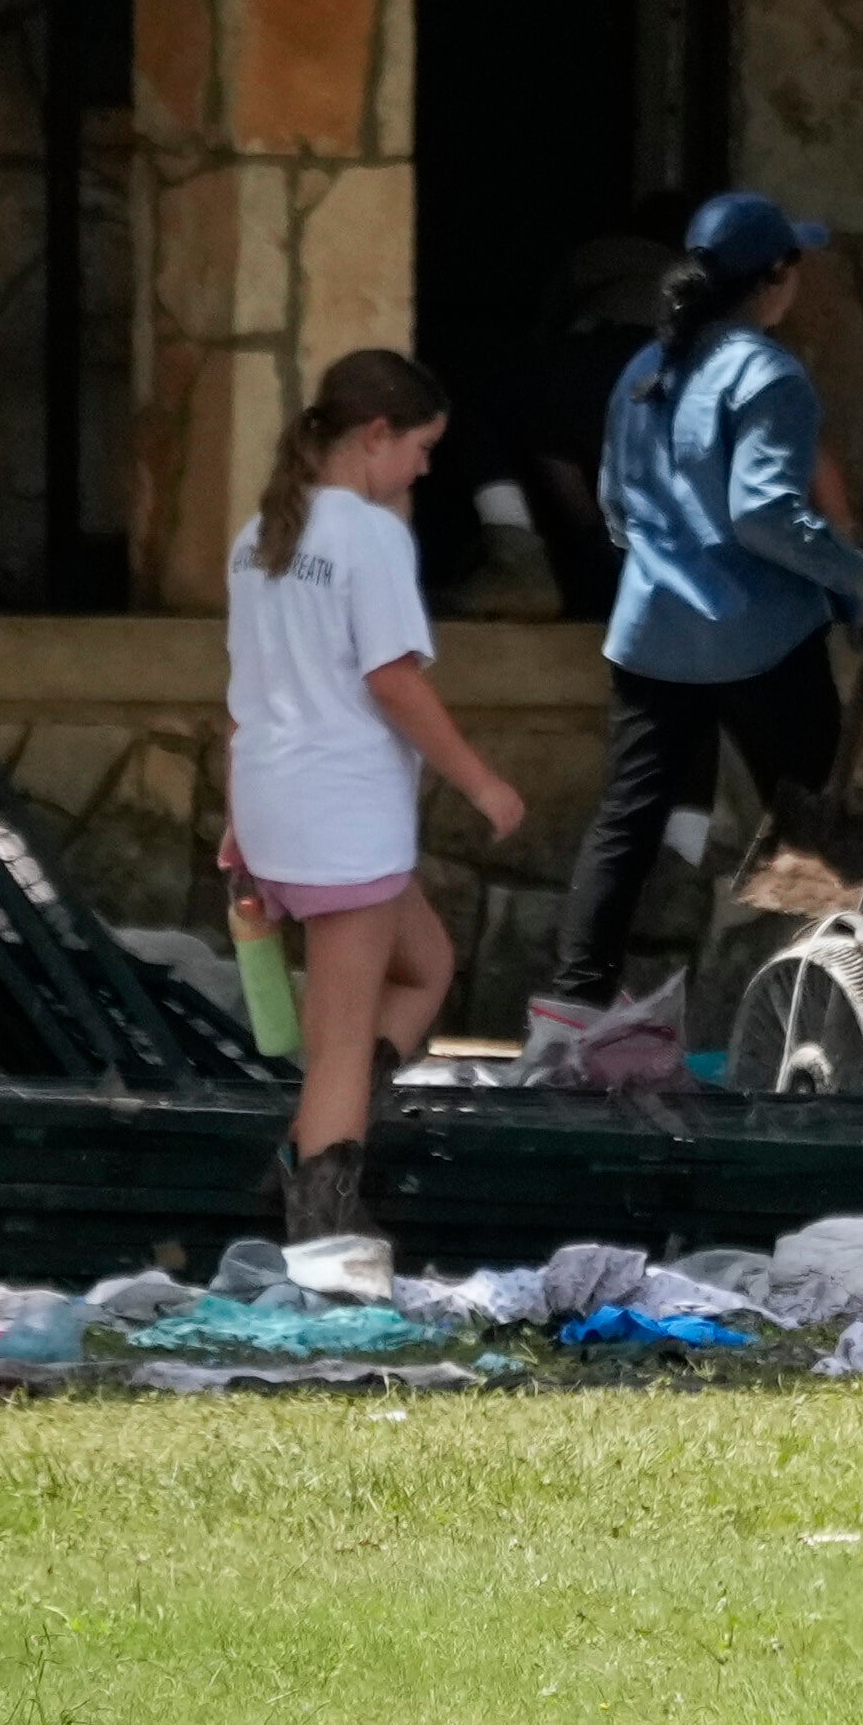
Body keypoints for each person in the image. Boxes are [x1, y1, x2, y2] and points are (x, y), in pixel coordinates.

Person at [536, 190, 863, 1060]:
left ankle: (565, 1019)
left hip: (652, 633)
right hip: (756, 638)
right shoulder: (769, 375)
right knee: (810, 823)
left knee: (627, 820)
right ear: (773, 278)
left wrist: (667, 565)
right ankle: (853, 1007)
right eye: (796, 266)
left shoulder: (644, 368)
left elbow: (616, 507)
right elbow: (765, 516)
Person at [220, 351, 530, 1241]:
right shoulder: (371, 536)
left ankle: (309, 1137)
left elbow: (242, 694)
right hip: (344, 816)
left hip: (279, 804)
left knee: (425, 967)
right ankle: (319, 1233)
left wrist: (237, 824)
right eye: (424, 447)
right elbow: (392, 678)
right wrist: (482, 781)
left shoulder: (256, 537)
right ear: (376, 436)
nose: (428, 469)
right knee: (343, 1042)